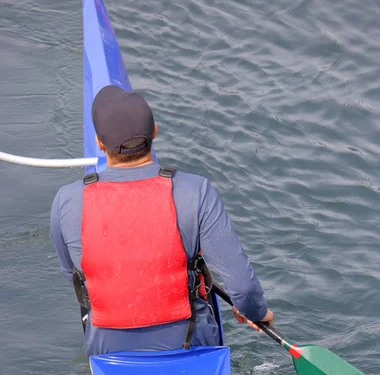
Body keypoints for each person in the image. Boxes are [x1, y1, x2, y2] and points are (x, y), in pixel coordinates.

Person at [50, 85, 273, 357]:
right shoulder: (196, 191)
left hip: (107, 349)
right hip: (190, 344)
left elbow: (72, 274)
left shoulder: (67, 200)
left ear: (99, 143)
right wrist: (254, 311)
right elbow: (245, 289)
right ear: (154, 133)